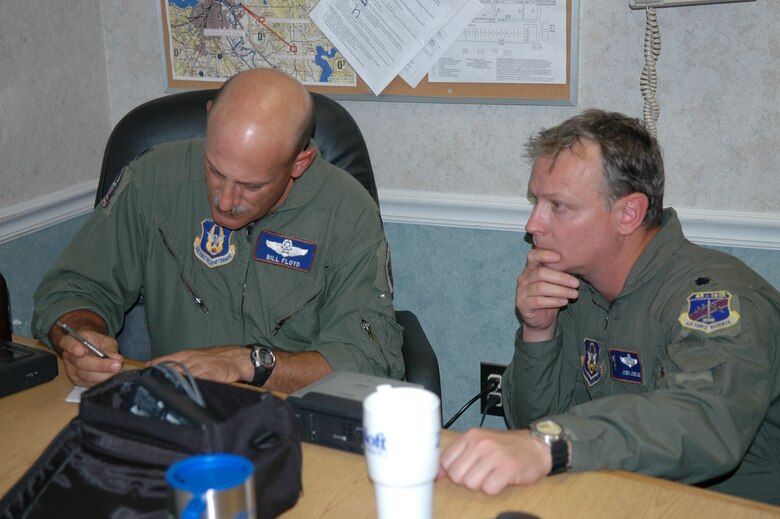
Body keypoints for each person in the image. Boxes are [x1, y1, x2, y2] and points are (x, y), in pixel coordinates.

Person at [439, 109, 780, 504]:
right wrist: (538, 332)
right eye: (536, 201)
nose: (533, 224)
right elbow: (531, 425)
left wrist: (554, 444)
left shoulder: (716, 299)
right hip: (621, 496)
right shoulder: (577, 287)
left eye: (558, 205)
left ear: (629, 214)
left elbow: (704, 421)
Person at [32, 69, 404, 393]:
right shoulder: (154, 178)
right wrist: (80, 338)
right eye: (214, 171)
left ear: (299, 162)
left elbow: (367, 362)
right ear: (209, 121)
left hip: (293, 425)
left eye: (251, 186)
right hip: (178, 415)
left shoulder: (347, 214)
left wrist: (248, 363)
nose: (225, 201)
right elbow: (73, 289)